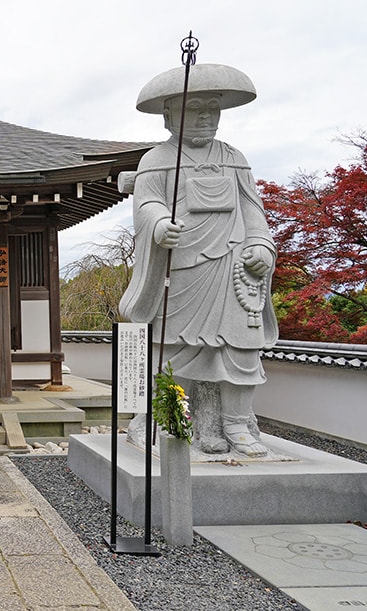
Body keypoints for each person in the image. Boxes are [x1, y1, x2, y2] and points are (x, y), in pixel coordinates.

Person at [120, 63, 278, 457]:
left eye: (212, 108)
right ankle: (169, 418)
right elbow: (147, 203)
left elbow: (252, 208)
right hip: (181, 267)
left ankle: (236, 424)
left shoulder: (234, 157)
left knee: (241, 348)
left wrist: (261, 243)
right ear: (169, 114)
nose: (205, 117)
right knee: (174, 349)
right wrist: (159, 224)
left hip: (234, 266)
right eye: (194, 108)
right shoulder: (156, 159)